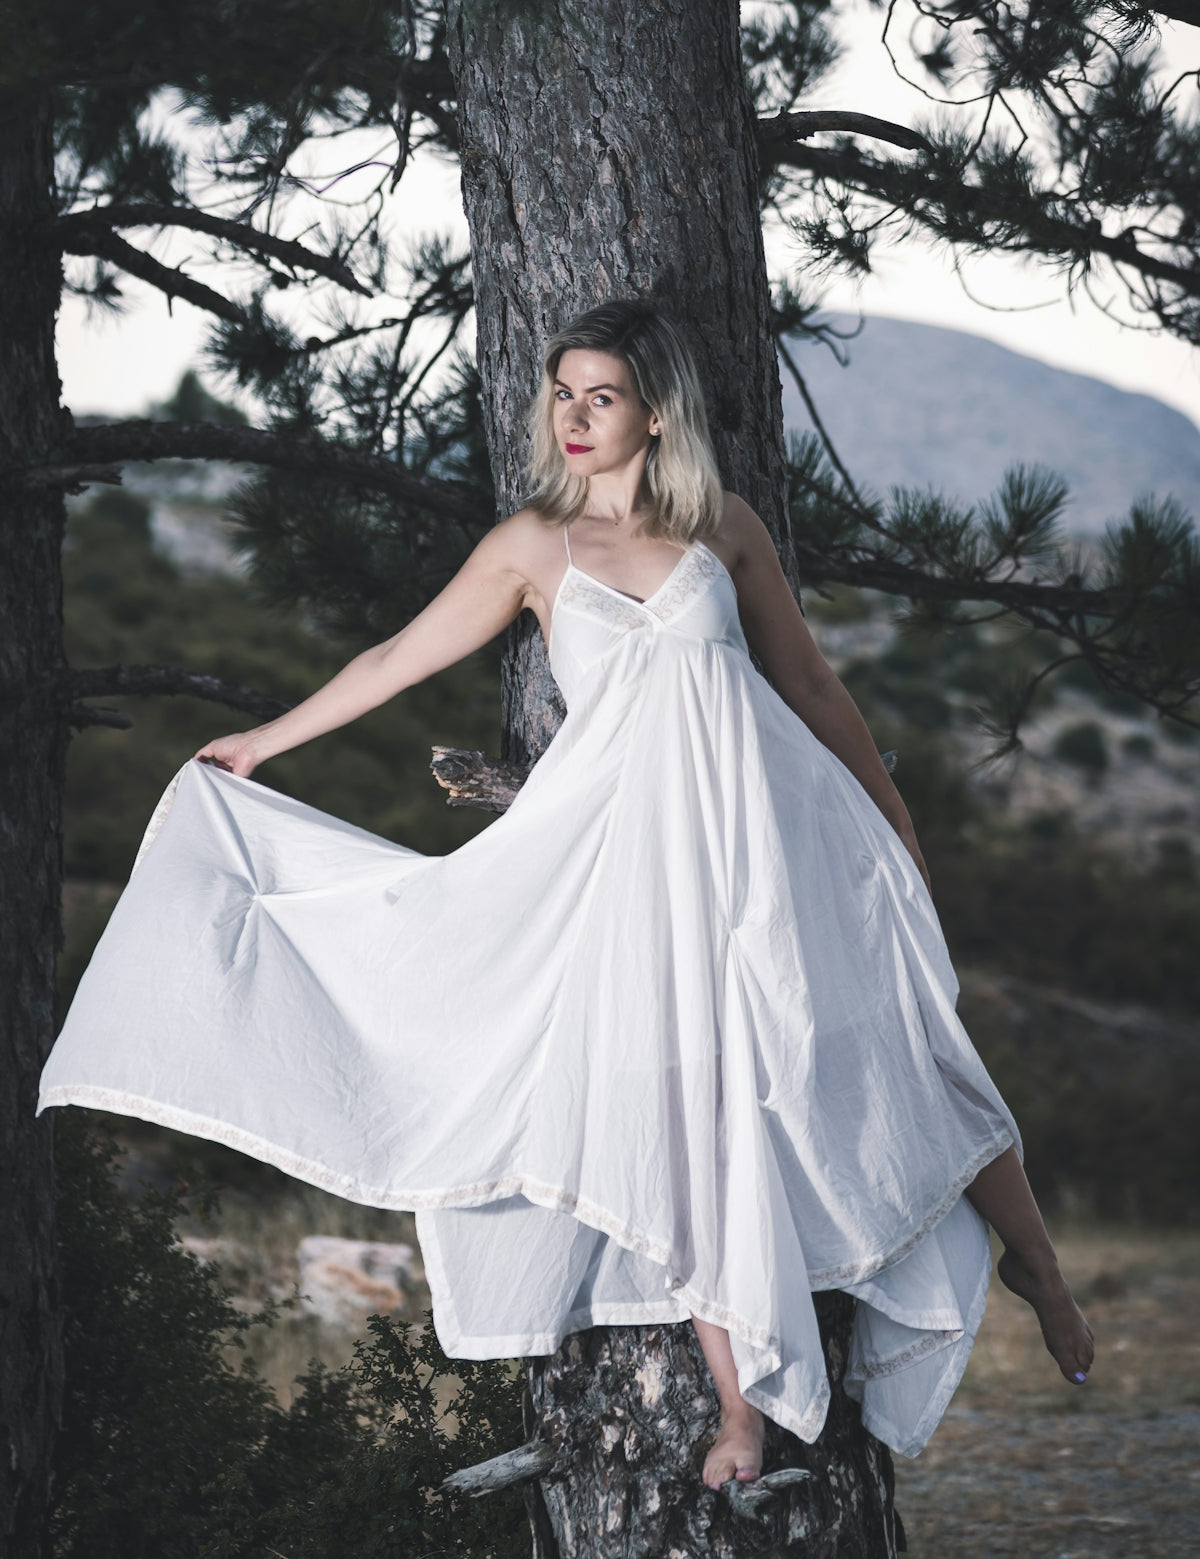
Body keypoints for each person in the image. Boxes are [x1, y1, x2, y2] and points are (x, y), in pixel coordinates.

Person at [39, 299, 1093, 1492]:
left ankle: (1041, 1266)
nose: (575, 415)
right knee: (686, 1125)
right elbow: (398, 657)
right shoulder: (531, 545)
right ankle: (741, 1409)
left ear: (654, 410)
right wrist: (268, 740)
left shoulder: (722, 528)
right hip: (625, 875)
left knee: (906, 1039)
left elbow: (807, 680)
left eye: (602, 395)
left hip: (774, 845)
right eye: (563, 393)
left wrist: (891, 821)